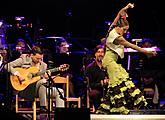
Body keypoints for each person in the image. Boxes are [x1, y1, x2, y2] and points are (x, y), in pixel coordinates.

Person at [96, 3, 157, 115]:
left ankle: (104, 108)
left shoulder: (112, 28)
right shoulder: (117, 37)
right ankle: (120, 107)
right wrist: (147, 51)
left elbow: (118, 14)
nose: (125, 32)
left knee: (116, 84)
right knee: (119, 83)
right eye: (124, 30)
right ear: (119, 28)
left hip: (112, 61)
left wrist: (126, 8)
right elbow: (132, 46)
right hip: (109, 61)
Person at [4, 45, 67, 113]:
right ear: (31, 55)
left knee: (59, 91)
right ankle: (43, 106)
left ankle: (60, 113)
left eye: (41, 58)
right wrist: (18, 75)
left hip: (39, 90)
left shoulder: (43, 65)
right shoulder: (24, 59)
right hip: (25, 88)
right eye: (37, 58)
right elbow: (7, 66)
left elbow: (43, 80)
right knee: (43, 81)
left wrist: (47, 76)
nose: (39, 61)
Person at [85, 44, 109, 112]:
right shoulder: (90, 68)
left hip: (107, 88)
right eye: (98, 52)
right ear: (95, 54)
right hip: (96, 89)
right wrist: (100, 84)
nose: (100, 54)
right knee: (95, 93)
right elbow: (89, 84)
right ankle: (99, 111)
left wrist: (108, 81)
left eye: (102, 52)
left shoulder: (108, 66)